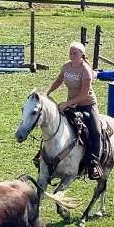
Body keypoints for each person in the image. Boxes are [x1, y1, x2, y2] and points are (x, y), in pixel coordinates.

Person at [46, 41, 103, 180]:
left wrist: (66, 104)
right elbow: (59, 81)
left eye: (75, 53)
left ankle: (94, 163)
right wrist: (47, 92)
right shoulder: (66, 66)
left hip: (87, 105)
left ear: (82, 55)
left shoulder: (86, 70)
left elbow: (84, 95)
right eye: (70, 52)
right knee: (55, 125)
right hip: (72, 105)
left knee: (95, 131)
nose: (72, 55)